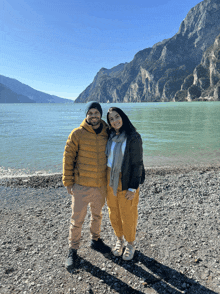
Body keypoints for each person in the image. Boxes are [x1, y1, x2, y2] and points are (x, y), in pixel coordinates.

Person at [63, 101, 110, 270]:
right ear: (86, 115)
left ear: (101, 115)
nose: (93, 115)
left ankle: (95, 240)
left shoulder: (107, 132)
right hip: (81, 186)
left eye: (96, 112)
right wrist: (68, 181)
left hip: (100, 185)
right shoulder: (77, 134)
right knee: (77, 221)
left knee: (97, 216)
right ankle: (73, 250)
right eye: (90, 113)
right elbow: (68, 158)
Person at [105, 107, 145, 261]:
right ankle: (119, 239)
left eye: (117, 117)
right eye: (111, 119)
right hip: (110, 179)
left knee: (128, 213)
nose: (115, 121)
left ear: (123, 117)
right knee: (113, 211)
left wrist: (133, 187)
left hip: (126, 179)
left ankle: (130, 243)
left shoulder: (133, 137)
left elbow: (138, 164)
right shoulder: (109, 136)